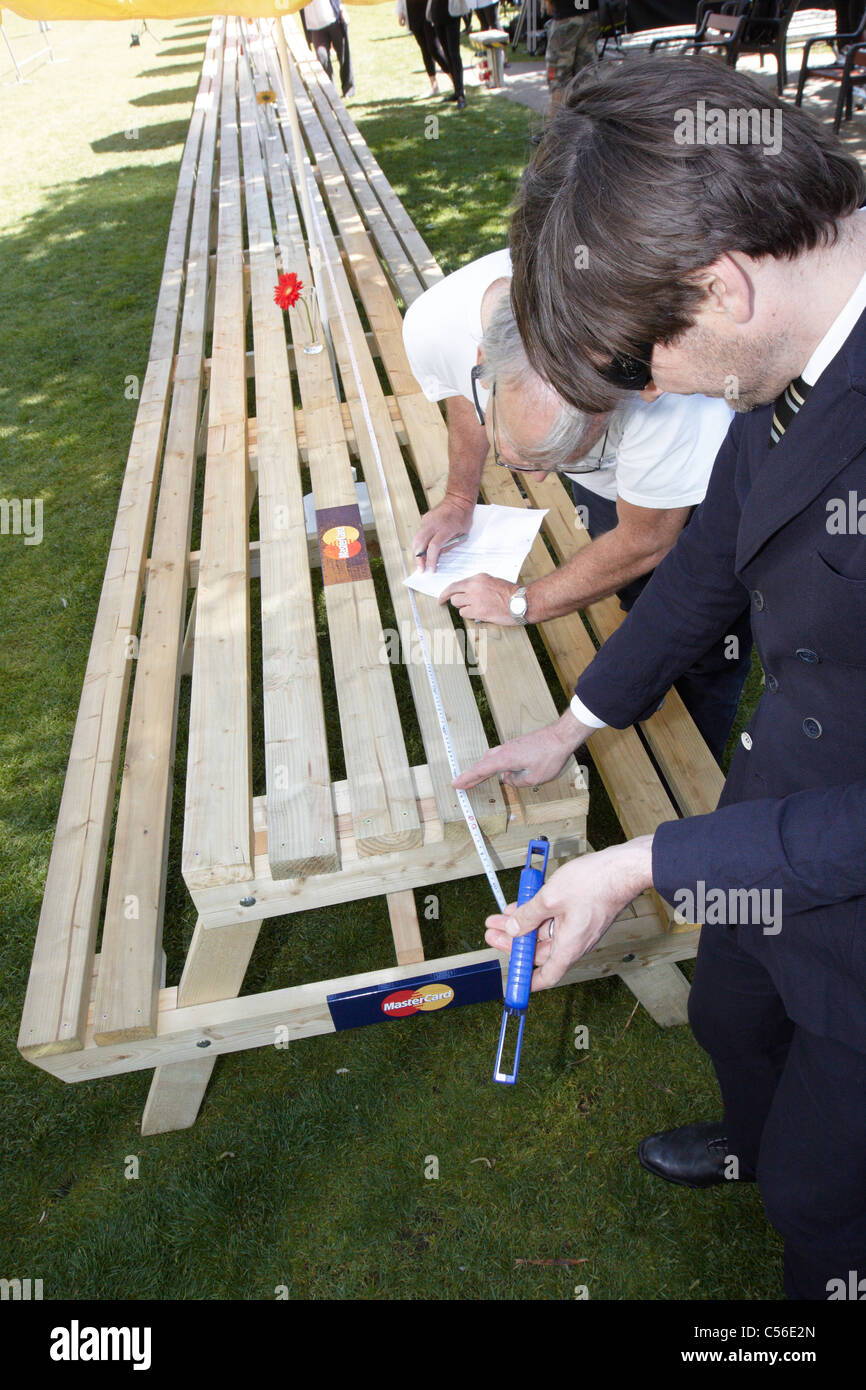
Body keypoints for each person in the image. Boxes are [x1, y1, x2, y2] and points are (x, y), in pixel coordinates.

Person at [456, 54, 866, 1300]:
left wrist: (644, 862)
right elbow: (701, 578)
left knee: (825, 1193)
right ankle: (754, 1141)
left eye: (639, 368)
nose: (645, 398)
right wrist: (571, 727)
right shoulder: (787, 344)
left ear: (720, 285)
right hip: (762, 830)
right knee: (728, 1016)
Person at [403, 250, 748, 762]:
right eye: (520, 456)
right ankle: (615, 701)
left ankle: (690, 761)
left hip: (693, 493)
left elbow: (646, 539)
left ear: (618, 401)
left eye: (564, 456)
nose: (542, 478)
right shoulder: (435, 324)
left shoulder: (674, 400)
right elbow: (461, 394)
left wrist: (524, 602)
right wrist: (458, 497)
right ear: (484, 365)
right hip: (623, 473)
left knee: (700, 636)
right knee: (631, 595)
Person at [542, 0, 600, 110]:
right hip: (590, 13)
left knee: (558, 79)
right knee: (587, 76)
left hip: (566, 15)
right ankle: (589, 123)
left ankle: (557, 125)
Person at [301, 0, 355, 100]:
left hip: (333, 18)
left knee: (343, 55)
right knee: (322, 58)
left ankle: (348, 88)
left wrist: (341, 8)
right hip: (315, 25)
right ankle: (330, 92)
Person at [398, 0, 450, 95]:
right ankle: (434, 85)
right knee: (425, 50)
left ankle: (456, 81)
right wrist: (400, 11)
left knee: (434, 49)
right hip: (412, 11)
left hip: (428, 10)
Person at [427, 0, 467, 108]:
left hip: (451, 13)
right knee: (447, 54)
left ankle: (461, 94)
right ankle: (457, 91)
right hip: (437, 13)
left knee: (454, 54)